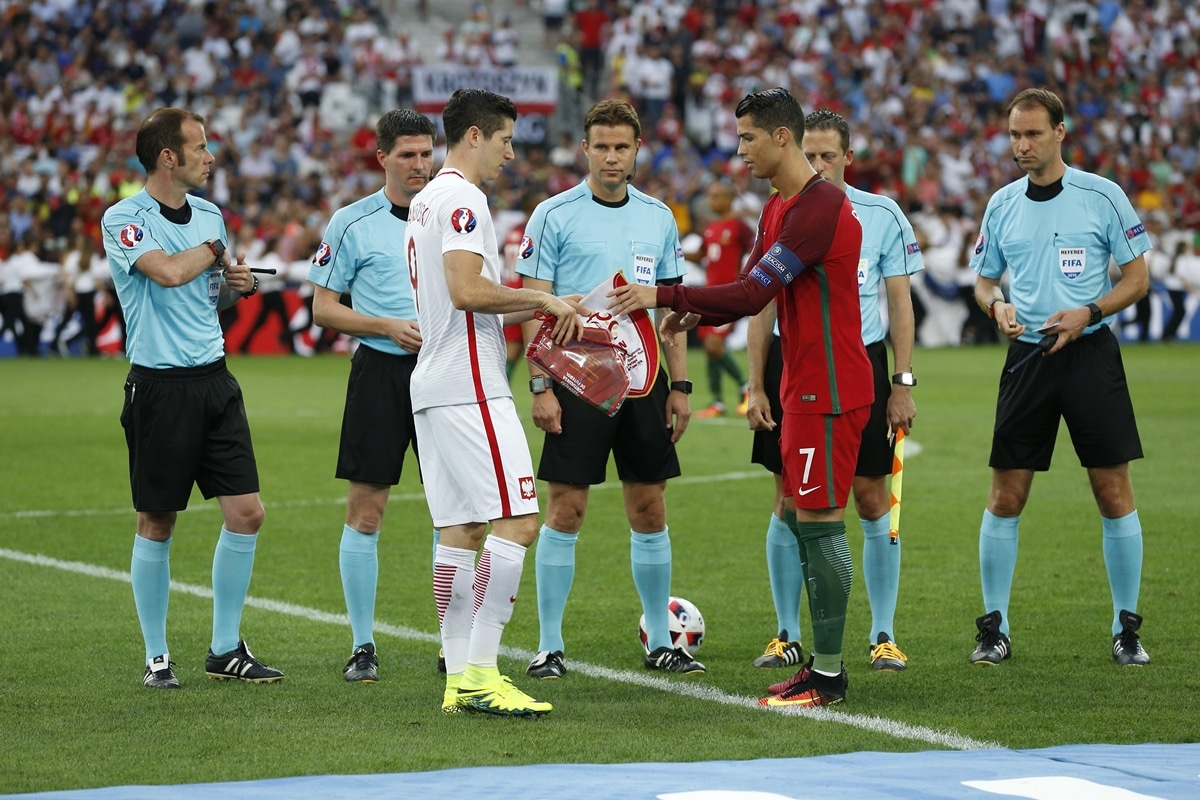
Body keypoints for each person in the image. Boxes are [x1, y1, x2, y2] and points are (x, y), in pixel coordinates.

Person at [609, 88, 871, 708]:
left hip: (830, 388)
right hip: (801, 384)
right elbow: (753, 290)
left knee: (823, 526)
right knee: (806, 522)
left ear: (782, 137)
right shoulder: (780, 207)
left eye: (748, 137)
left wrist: (667, 298)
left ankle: (829, 675)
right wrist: (696, 314)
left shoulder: (820, 206)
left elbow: (752, 294)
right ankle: (819, 667)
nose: (740, 149)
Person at [403, 88, 584, 717]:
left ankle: (458, 675)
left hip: (432, 383)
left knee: (460, 530)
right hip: (470, 384)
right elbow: (465, 290)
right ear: (475, 135)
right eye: (505, 138)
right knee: (519, 520)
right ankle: (482, 672)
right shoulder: (462, 197)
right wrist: (543, 300)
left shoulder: (425, 198)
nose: (512, 150)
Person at [517, 99, 703, 680]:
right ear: (585, 149)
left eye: (622, 146)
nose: (612, 156)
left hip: (645, 381)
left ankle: (658, 640)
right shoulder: (552, 214)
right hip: (578, 378)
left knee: (649, 508)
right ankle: (549, 646)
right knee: (567, 509)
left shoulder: (659, 218)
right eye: (601, 145)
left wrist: (681, 385)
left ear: (637, 149)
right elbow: (530, 302)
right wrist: (540, 385)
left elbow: (672, 310)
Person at [968, 88, 1152, 667]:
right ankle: (994, 627)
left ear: (1060, 133)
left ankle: (1127, 628)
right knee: (1005, 494)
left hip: (1091, 355)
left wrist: (1089, 312)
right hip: (1026, 357)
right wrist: (995, 306)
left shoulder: (1103, 196)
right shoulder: (1001, 204)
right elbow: (982, 279)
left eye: (1033, 134)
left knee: (1112, 490)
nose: (1022, 145)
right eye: (1014, 135)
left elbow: (1136, 278)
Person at [102, 107, 282, 689]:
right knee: (157, 520)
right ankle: (157, 658)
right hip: (158, 387)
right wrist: (214, 255)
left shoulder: (209, 214)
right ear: (167, 157)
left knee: (247, 513)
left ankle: (225, 648)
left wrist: (239, 288)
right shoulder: (124, 218)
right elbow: (169, 274)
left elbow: (205, 298)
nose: (211, 156)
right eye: (201, 147)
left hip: (215, 381)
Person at [744, 109, 925, 677]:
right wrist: (755, 382)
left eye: (827, 155)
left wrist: (902, 381)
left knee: (873, 499)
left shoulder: (879, 214)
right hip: (788, 362)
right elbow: (761, 299)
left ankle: (882, 635)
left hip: (857, 366)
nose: (817, 164)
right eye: (810, 153)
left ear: (848, 157)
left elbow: (898, 303)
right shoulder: (778, 209)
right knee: (788, 499)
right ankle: (787, 634)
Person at [306, 109, 437, 683]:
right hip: (380, 373)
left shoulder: (453, 214)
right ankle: (362, 645)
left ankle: (452, 643)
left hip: (443, 372)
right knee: (366, 510)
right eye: (406, 155)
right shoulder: (350, 222)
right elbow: (322, 307)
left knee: (454, 513)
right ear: (382, 157)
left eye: (426, 153)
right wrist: (384, 326)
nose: (419, 165)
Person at [686, 179, 755, 418]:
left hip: (729, 297)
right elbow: (702, 256)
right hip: (709, 296)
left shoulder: (739, 226)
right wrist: (677, 252)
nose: (711, 201)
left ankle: (747, 388)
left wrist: (745, 281)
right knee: (710, 349)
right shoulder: (711, 228)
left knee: (714, 346)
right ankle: (717, 403)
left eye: (716, 196)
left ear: (728, 198)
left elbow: (757, 250)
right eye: (710, 196)